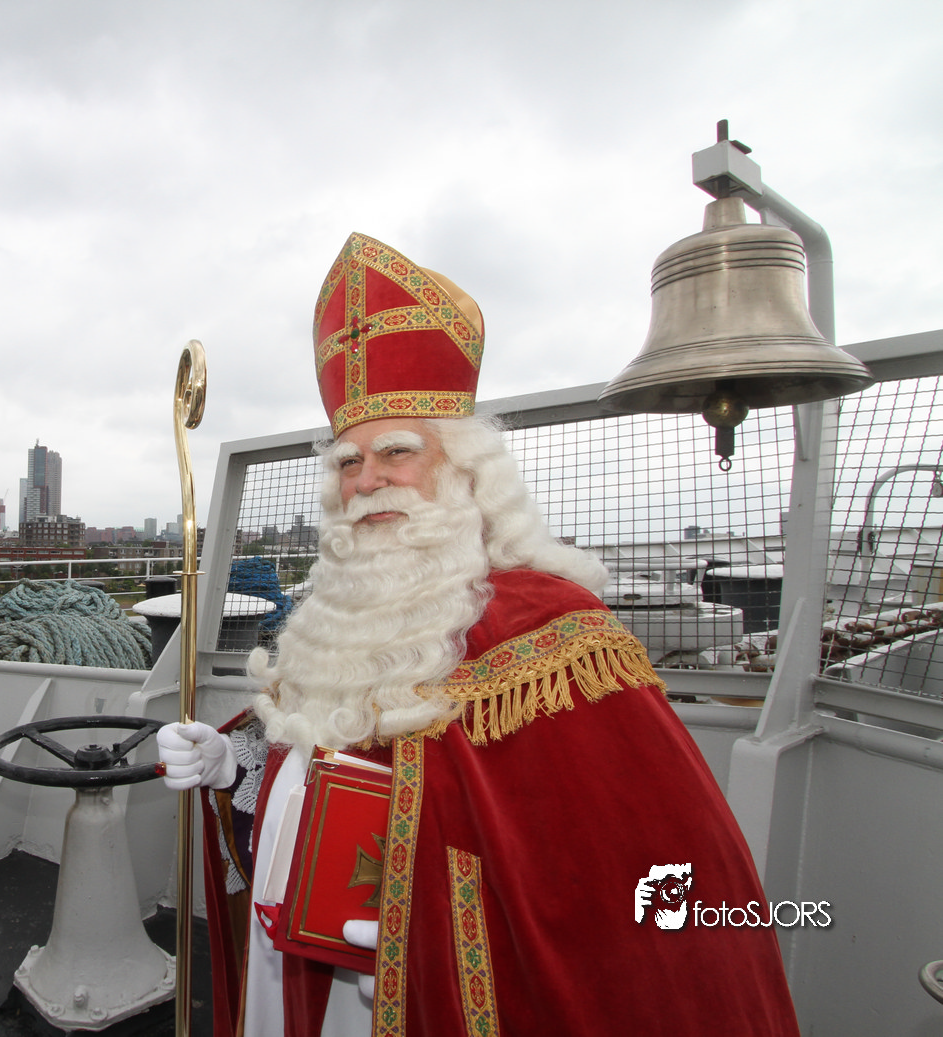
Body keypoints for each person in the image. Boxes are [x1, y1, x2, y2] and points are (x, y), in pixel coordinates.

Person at [156, 232, 800, 1036]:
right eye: (348, 462)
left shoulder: (556, 629)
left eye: (396, 452)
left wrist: (421, 927)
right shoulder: (330, 615)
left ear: (465, 467)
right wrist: (237, 766)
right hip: (295, 972)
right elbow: (323, 763)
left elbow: (608, 881)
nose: (366, 480)